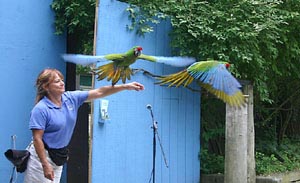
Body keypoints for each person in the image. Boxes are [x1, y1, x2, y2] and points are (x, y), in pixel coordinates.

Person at [24, 68, 144, 183]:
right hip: (41, 158)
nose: (61, 83)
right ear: (46, 87)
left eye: (61, 80)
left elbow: (99, 92)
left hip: (58, 156)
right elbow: (37, 138)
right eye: (57, 81)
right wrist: (45, 164)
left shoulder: (70, 98)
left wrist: (125, 86)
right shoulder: (41, 109)